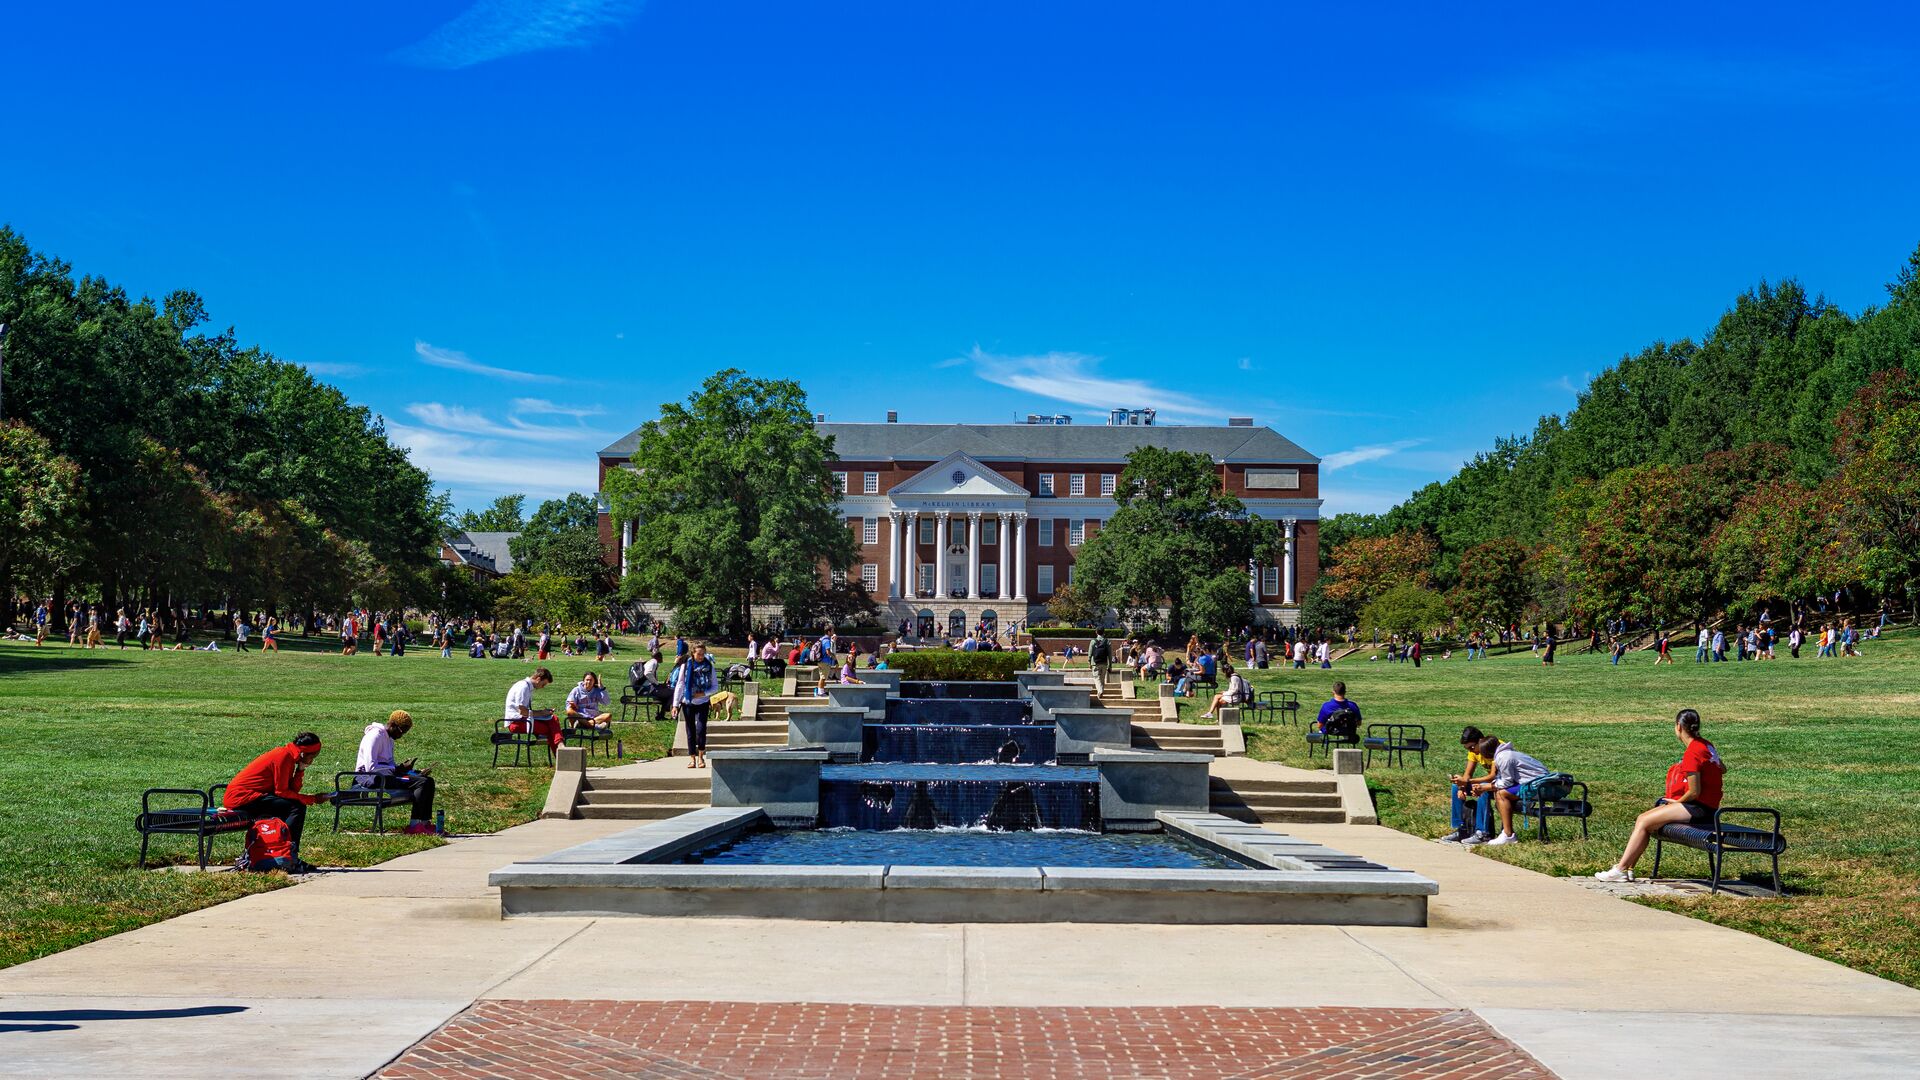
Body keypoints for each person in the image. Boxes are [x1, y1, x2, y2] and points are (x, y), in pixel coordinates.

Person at [1595, 709, 1727, 882]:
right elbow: (1722, 768)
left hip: (1699, 808)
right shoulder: (1706, 745)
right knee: (1645, 821)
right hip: (1709, 805)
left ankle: (1620, 870)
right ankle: (1626, 869)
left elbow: (1694, 792)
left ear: (1678, 727)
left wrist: (1676, 803)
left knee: (1643, 821)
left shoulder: (1692, 752)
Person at [223, 733, 335, 872]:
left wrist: (300, 770)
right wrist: (313, 799)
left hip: (256, 795)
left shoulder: (290, 756)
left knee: (292, 806)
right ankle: (289, 855)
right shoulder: (283, 756)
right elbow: (281, 792)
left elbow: (291, 790)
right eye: (313, 756)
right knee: (296, 808)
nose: (313, 759)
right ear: (303, 753)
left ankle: (284, 855)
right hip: (242, 797)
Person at [353, 710, 437, 835]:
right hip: (370, 777)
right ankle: (414, 826)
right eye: (401, 731)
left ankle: (424, 823)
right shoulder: (374, 736)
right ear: (392, 725)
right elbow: (370, 767)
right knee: (422, 783)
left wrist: (409, 771)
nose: (401, 736)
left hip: (385, 776)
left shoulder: (389, 739)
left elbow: (389, 765)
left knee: (428, 781)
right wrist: (397, 769)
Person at [1461, 736, 1552, 847]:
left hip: (1539, 785)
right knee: (1499, 791)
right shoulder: (1505, 754)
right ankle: (1506, 833)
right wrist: (1486, 787)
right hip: (1536, 783)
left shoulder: (1504, 757)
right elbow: (1503, 779)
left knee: (1501, 793)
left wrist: (1486, 787)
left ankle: (1508, 835)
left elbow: (1506, 782)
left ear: (1487, 752)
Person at [1439, 726, 1496, 843]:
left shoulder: (1493, 746)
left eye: (1471, 747)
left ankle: (1482, 832)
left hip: (1501, 784)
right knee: (1455, 787)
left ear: (1481, 740)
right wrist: (1462, 786)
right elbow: (1467, 774)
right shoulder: (1474, 750)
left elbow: (1493, 776)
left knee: (1482, 788)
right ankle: (1461, 828)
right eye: (1467, 749)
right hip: (1490, 783)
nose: (1470, 751)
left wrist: (1468, 782)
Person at [674, 642, 718, 769]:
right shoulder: (686, 666)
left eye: (703, 654)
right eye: (699, 654)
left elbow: (715, 686)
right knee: (690, 731)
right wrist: (675, 704)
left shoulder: (709, 666)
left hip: (703, 701)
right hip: (687, 702)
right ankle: (692, 758)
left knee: (701, 729)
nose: (701, 656)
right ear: (693, 653)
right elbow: (680, 684)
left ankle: (701, 757)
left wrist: (703, 693)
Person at [504, 667, 560, 750]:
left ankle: (560, 746)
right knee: (550, 729)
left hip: (522, 720)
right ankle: (560, 750)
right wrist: (542, 713)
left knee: (553, 718)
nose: (542, 687)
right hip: (516, 723)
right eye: (543, 684)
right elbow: (522, 712)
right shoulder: (523, 687)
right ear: (538, 679)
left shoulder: (526, 686)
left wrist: (543, 712)